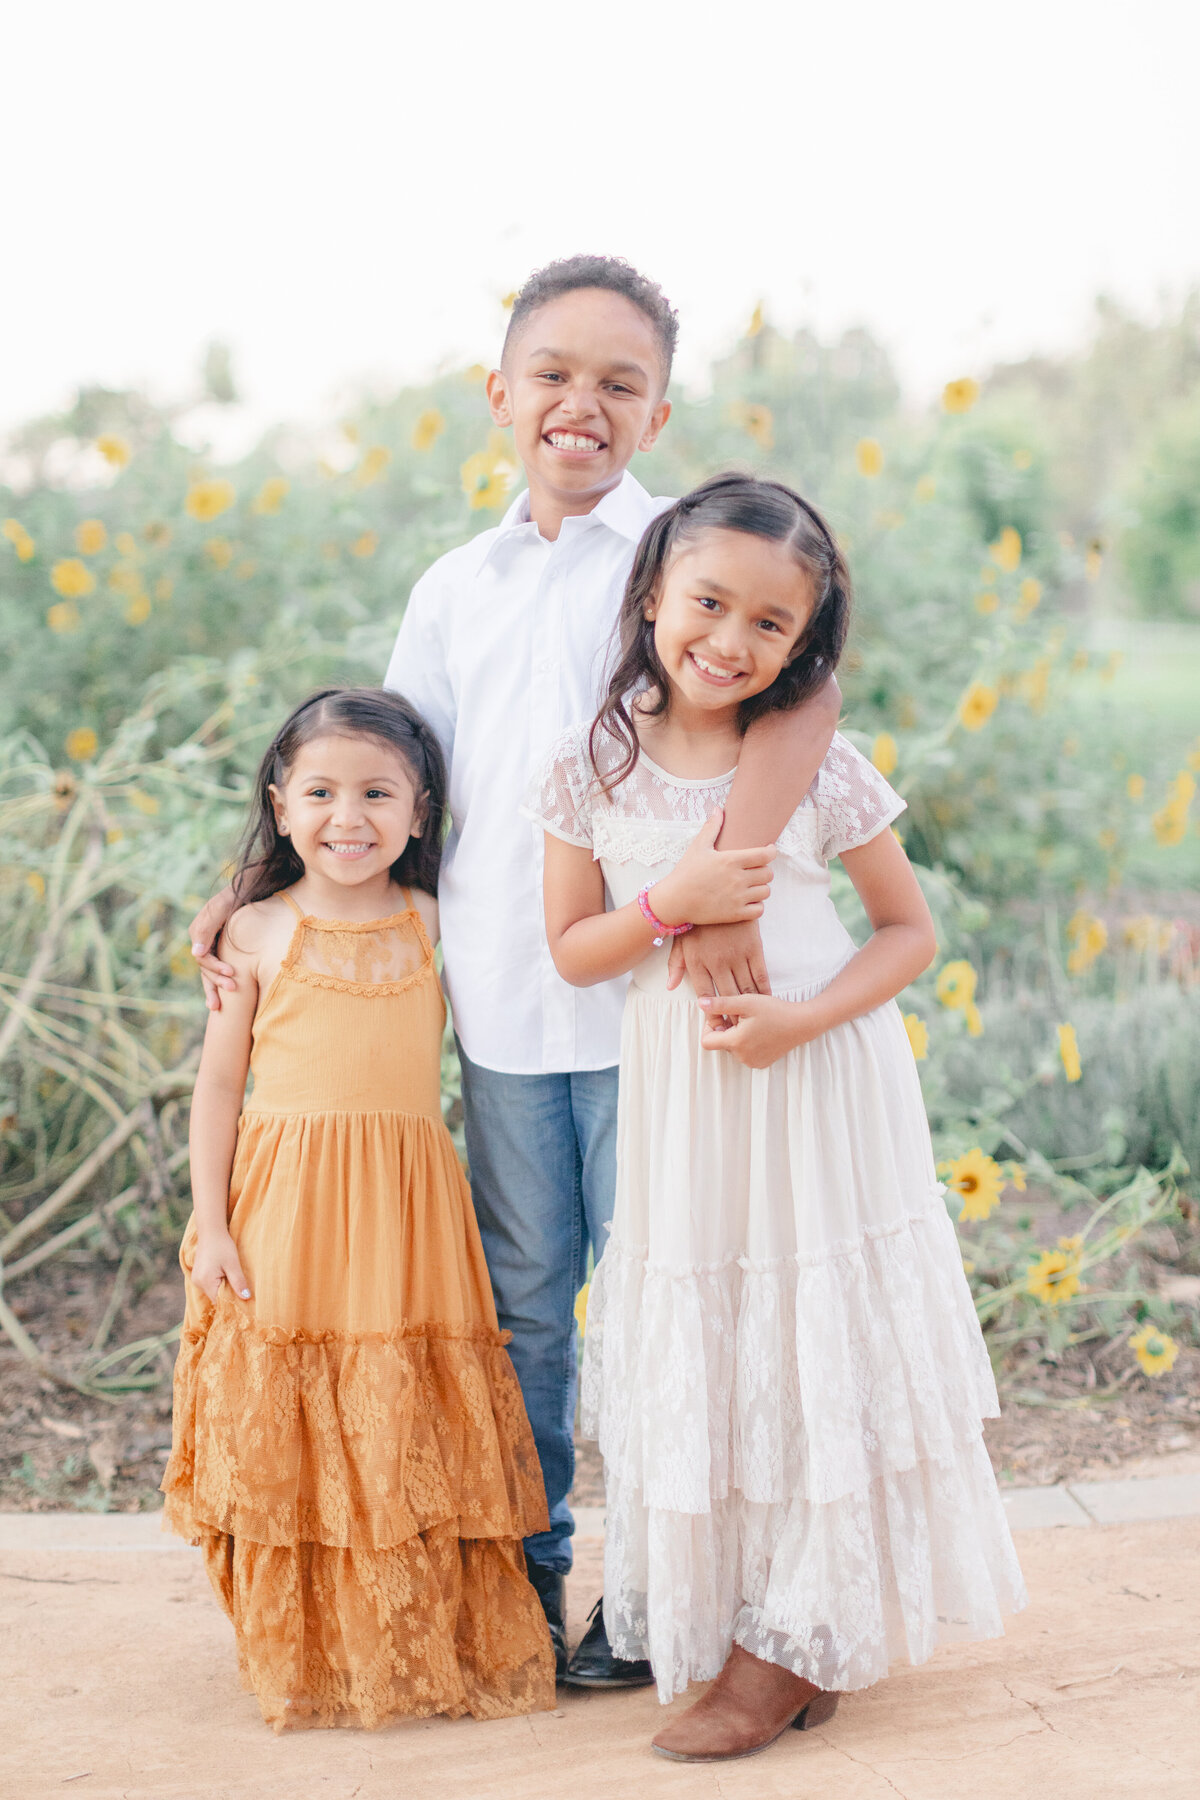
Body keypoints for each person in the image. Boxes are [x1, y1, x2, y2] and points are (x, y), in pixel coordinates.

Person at [188, 255, 841, 1686]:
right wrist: (261, 876)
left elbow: (810, 697)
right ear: (501, 395)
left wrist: (721, 872)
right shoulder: (454, 587)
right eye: (554, 374)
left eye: (619, 383)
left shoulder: (680, 560)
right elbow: (389, 775)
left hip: (655, 1011)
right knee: (527, 1304)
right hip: (497, 1004)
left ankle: (681, 1596)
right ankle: (536, 1580)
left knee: (674, 1294)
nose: (582, 405)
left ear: (658, 413)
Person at [526, 473, 1026, 1761]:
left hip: (814, 1082)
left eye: (770, 624)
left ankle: (799, 1637)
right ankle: (758, 1609)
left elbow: (908, 934)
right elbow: (574, 951)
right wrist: (674, 901)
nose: (730, 641)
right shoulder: (591, 769)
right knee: (726, 1335)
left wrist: (803, 1021)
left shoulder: (818, 768)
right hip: (686, 1100)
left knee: (821, 1346)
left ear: (806, 642)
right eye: (707, 602)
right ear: (651, 597)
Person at [162, 687, 555, 1731]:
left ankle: (405, 1638)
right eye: (323, 792)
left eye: (379, 792)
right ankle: (306, 1647)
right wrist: (214, 1225)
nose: (351, 816)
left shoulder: (436, 921)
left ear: (421, 812)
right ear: (281, 805)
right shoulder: (252, 931)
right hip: (287, 1203)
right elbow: (217, 1088)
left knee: (401, 1414)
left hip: (409, 1207)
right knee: (297, 1412)